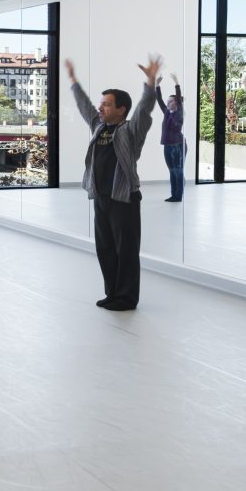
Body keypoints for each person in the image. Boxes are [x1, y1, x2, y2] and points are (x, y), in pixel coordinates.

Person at [68, 54, 161, 311]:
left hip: (124, 198)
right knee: (106, 249)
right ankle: (112, 293)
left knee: (126, 251)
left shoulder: (131, 130)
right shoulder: (99, 127)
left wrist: (150, 84)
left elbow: (144, 109)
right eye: (102, 104)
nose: (101, 108)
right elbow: (86, 107)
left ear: (121, 109)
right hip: (101, 198)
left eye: (107, 105)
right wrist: (74, 81)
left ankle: (127, 298)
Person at [154, 75, 186, 202]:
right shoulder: (166, 112)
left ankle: (178, 196)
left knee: (177, 171)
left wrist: (177, 83)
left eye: (171, 101)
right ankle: (174, 195)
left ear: (177, 103)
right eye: (168, 101)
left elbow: (178, 97)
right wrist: (157, 85)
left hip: (177, 145)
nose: (168, 103)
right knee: (172, 171)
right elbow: (159, 100)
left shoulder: (179, 112)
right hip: (167, 145)